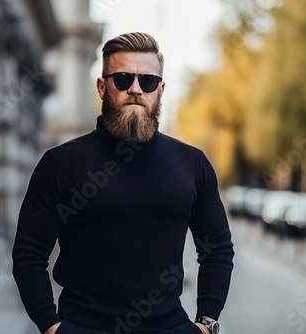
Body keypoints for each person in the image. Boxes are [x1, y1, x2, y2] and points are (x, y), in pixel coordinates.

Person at [12, 32, 234, 334]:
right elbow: (29, 252)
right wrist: (51, 326)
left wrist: (206, 323)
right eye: (123, 79)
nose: (135, 89)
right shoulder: (61, 164)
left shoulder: (193, 164)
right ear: (102, 87)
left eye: (148, 81)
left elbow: (217, 248)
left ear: (160, 90)